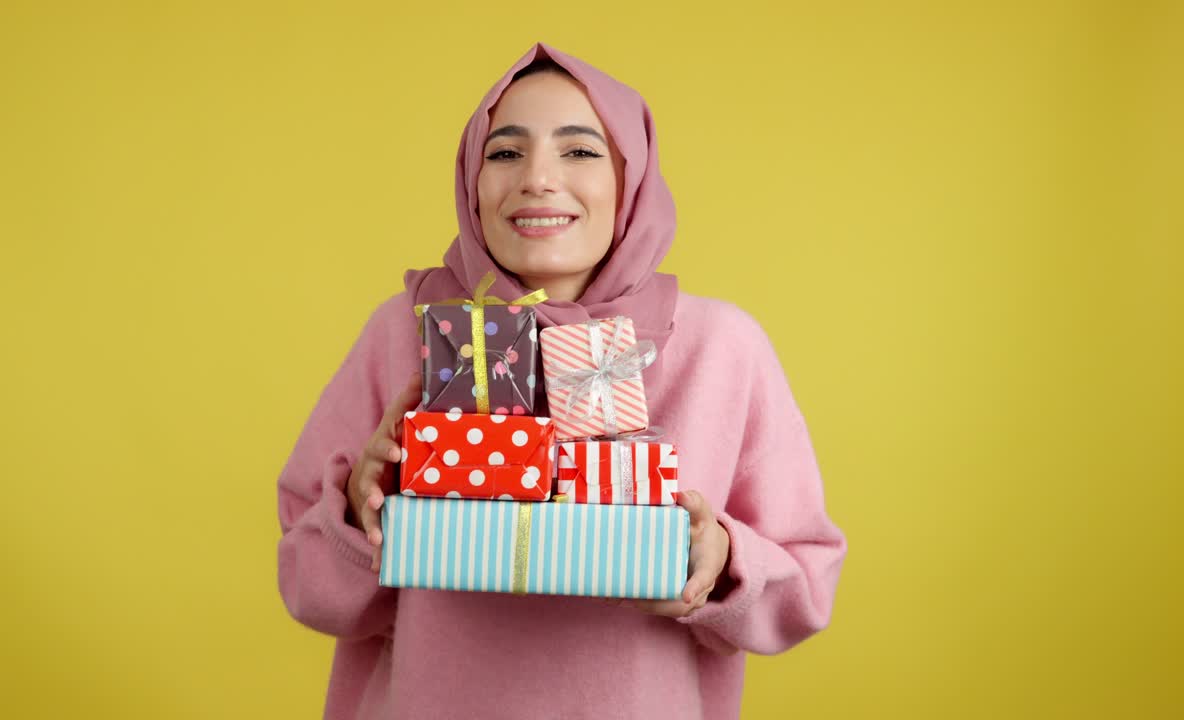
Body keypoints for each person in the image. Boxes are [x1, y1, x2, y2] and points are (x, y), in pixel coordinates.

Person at [277, 42, 846, 720]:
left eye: (579, 151)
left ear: (630, 178)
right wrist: (358, 507)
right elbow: (307, 586)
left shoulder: (722, 348)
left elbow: (807, 585)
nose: (538, 179)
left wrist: (719, 560)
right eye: (506, 152)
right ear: (470, 180)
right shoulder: (408, 331)